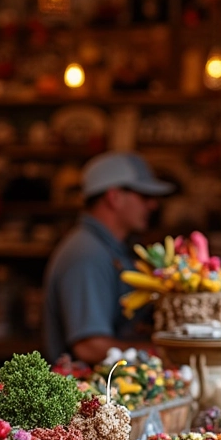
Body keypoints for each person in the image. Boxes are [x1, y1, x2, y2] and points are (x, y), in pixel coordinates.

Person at [43, 151, 174, 365]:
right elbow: (89, 347)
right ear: (114, 197)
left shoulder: (109, 248)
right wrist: (164, 353)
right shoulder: (87, 253)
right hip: (92, 394)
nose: (153, 205)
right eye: (144, 196)